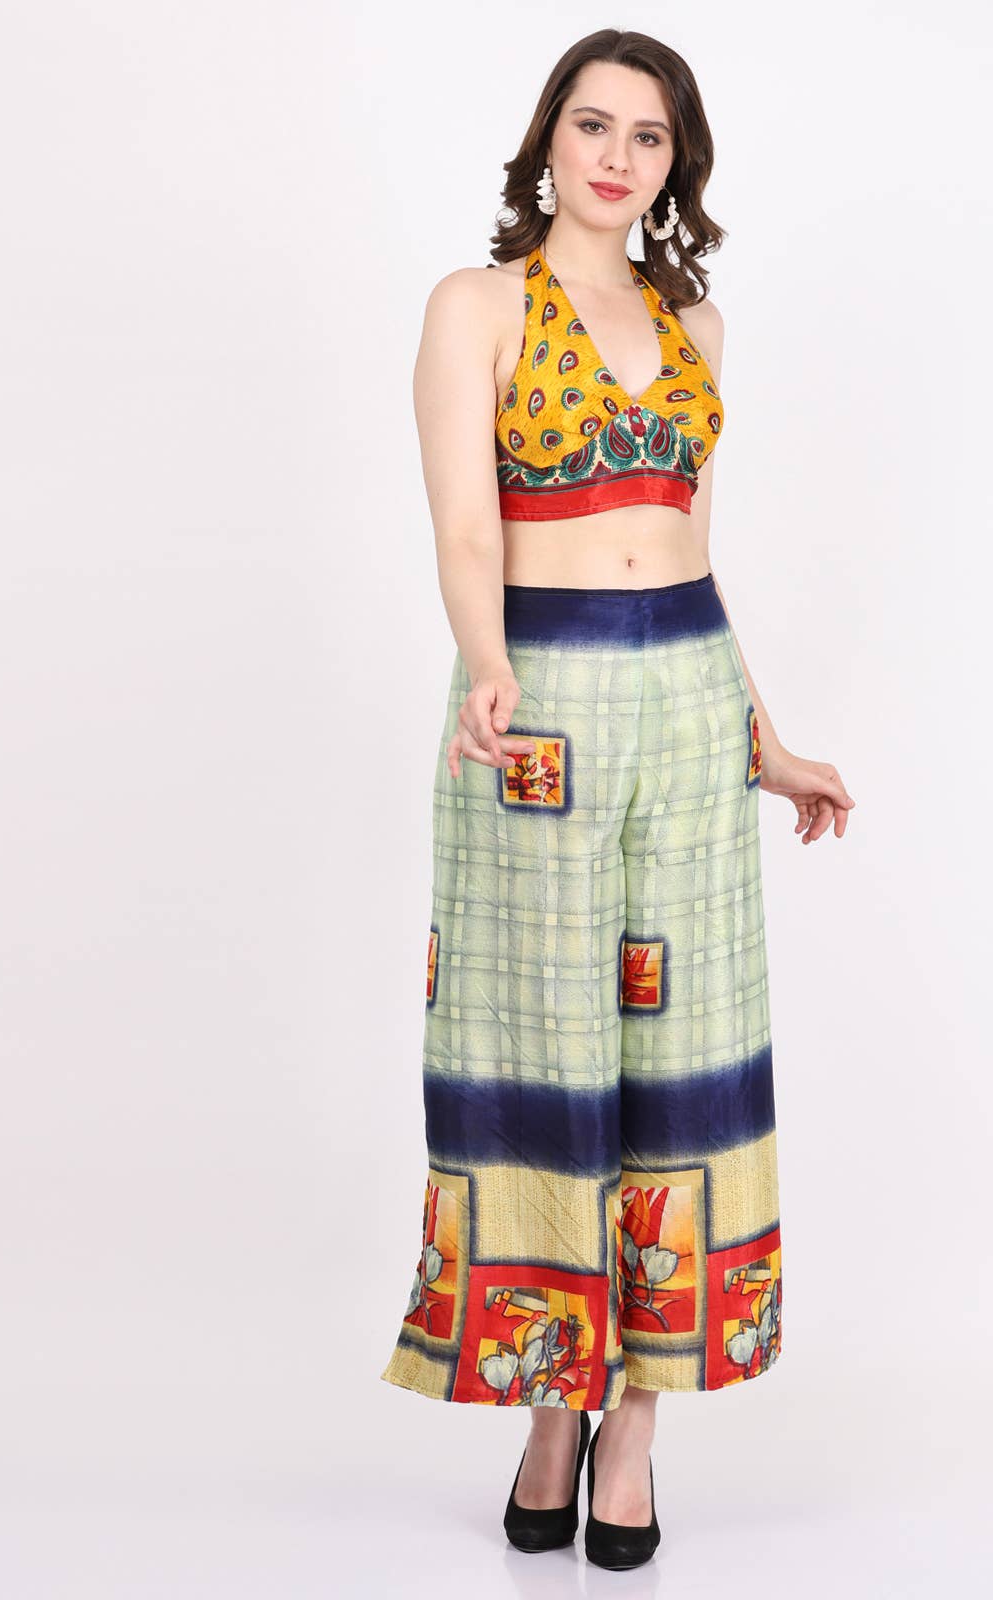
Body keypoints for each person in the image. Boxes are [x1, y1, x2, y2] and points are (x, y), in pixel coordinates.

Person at [380, 29, 855, 1570]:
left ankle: (636, 1427)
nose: (617, 158)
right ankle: (548, 1401)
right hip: (539, 709)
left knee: (682, 1060)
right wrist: (486, 663)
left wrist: (767, 740)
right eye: (594, 126)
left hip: (687, 704)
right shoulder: (477, 306)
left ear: (674, 165)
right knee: (541, 1054)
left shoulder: (693, 322)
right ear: (548, 140)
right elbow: (467, 528)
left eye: (649, 138)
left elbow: (694, 553)